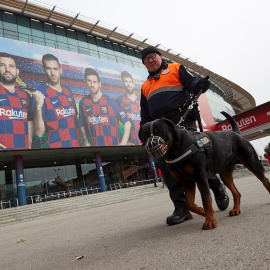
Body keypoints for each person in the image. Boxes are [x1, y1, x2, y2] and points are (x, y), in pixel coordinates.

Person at [140, 46, 229, 226]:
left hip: (182, 121)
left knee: (197, 160)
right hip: (161, 130)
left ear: (160, 56)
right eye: (146, 59)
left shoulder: (174, 68)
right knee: (166, 166)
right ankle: (182, 209)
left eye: (152, 56)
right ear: (144, 64)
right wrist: (143, 131)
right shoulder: (145, 86)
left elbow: (192, 84)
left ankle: (218, 189)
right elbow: (145, 115)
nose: (150, 60)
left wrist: (199, 85)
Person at [30, 54, 81, 148]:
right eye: (49, 69)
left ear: (60, 70)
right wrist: (38, 107)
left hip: (76, 146)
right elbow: (39, 133)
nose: (53, 73)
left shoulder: (68, 90)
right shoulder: (40, 93)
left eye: (55, 69)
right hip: (57, 148)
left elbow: (75, 120)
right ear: (43, 69)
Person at [79, 68, 131, 146]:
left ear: (99, 84)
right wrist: (86, 142)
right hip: (96, 149)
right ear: (85, 82)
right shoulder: (83, 102)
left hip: (113, 149)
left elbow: (127, 123)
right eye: (89, 81)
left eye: (95, 82)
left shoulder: (111, 102)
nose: (92, 85)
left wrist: (123, 143)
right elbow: (82, 124)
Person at [0, 52, 33, 149]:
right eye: (2, 65)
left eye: (11, 66)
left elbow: (29, 122)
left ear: (17, 71)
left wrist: (29, 145)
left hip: (22, 152)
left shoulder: (26, 95)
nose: (7, 69)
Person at [116, 71, 141, 145]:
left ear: (133, 83)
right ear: (123, 84)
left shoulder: (141, 100)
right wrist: (125, 141)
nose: (128, 84)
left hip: (144, 141)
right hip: (131, 144)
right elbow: (116, 123)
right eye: (126, 81)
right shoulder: (120, 100)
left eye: (130, 81)